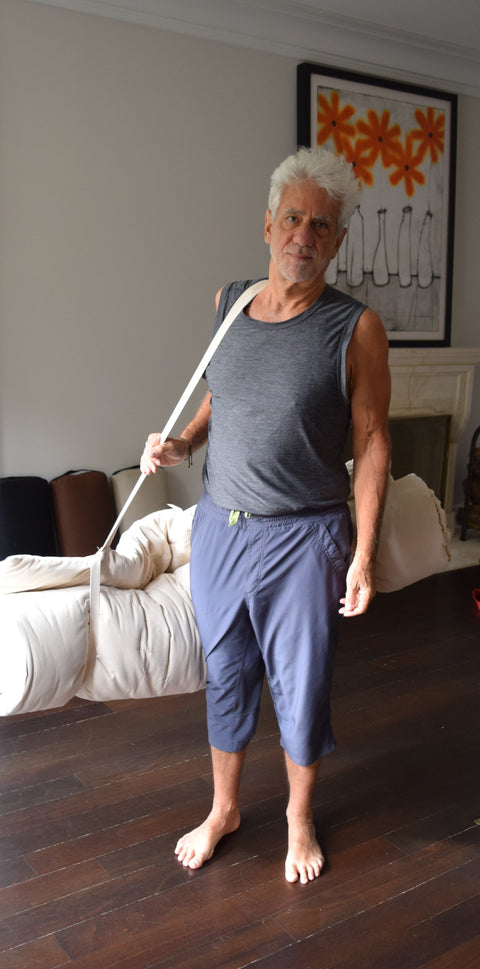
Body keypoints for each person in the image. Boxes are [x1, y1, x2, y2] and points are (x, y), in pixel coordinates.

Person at [140, 147, 391, 885]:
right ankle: (224, 808)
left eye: (321, 225)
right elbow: (224, 394)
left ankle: (298, 815)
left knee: (302, 682)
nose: (303, 236)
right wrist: (184, 440)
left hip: (306, 536)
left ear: (337, 241)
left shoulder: (356, 327)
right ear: (267, 225)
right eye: (292, 219)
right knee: (226, 672)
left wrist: (366, 554)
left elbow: (374, 439)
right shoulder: (228, 303)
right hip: (221, 525)